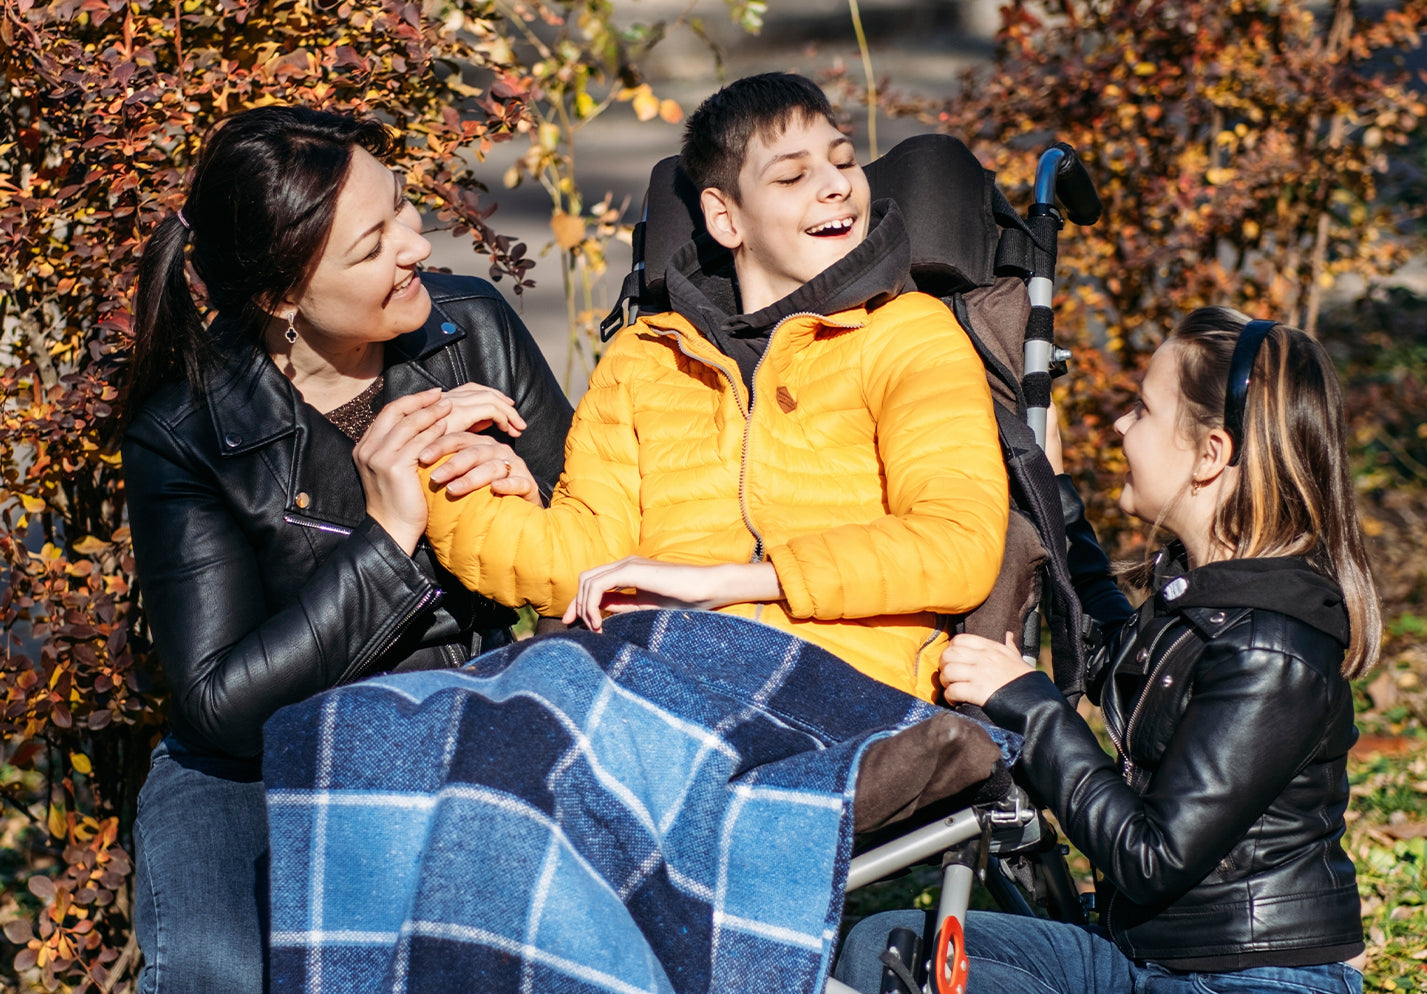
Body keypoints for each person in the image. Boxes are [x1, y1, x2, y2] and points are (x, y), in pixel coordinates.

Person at [120, 106, 572, 994]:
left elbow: (595, 549)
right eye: (373, 245)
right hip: (249, 769)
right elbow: (219, 703)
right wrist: (388, 537)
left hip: (456, 716)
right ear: (283, 298)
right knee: (220, 969)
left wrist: (532, 502)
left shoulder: (468, 326)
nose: (415, 244)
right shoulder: (187, 433)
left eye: (402, 207)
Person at [837, 307, 1381, 994]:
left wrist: (1028, 705)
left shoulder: (1272, 645)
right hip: (1143, 963)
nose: (1122, 426)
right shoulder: (1204, 592)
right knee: (889, 946)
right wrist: (1056, 500)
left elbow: (1150, 857)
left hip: (1250, 979)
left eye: (1142, 410)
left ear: (1210, 456)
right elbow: (1115, 657)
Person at [416, 72, 1010, 701]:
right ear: (726, 218)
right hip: (653, 675)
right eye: (792, 176)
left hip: (840, 683)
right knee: (386, 735)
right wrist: (442, 471)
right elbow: (580, 563)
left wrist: (728, 582)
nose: (837, 185)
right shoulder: (645, 358)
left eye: (843, 161)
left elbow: (956, 546)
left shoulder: (910, 334)